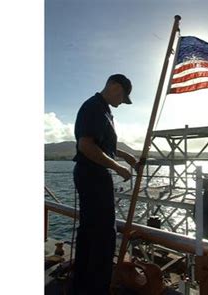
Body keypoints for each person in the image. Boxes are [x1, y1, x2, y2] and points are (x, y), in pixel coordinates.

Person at [72, 74, 138, 295]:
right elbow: (86, 145)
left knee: (90, 231)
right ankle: (97, 288)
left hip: (93, 175)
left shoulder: (104, 110)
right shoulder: (94, 108)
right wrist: (118, 168)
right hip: (93, 176)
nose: (121, 103)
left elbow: (102, 144)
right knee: (103, 235)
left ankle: (83, 285)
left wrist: (124, 155)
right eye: (123, 97)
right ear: (115, 87)